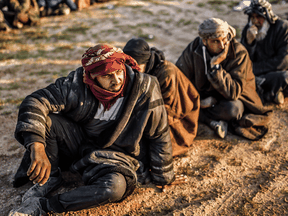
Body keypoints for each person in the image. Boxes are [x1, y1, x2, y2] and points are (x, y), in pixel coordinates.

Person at [9, 44, 184, 215]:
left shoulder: (145, 87)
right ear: (92, 76)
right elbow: (35, 101)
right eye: (107, 75)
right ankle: (50, 177)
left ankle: (46, 205)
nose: (116, 80)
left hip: (120, 157)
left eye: (118, 72)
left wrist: (164, 176)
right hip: (81, 143)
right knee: (47, 122)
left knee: (113, 189)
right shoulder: (76, 84)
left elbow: (159, 133)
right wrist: (37, 146)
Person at [176, 18, 271, 140]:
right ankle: (209, 118)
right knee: (177, 101)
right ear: (205, 41)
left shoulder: (239, 53)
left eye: (224, 39)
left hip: (229, 99)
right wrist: (198, 100)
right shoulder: (194, 49)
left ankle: (206, 118)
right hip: (203, 97)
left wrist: (215, 67)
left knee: (234, 110)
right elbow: (180, 78)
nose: (222, 45)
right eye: (215, 41)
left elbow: (234, 93)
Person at [123, 38, 200, 157]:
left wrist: (138, 118)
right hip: (149, 113)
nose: (132, 70)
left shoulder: (167, 73)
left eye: (136, 66)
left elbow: (170, 111)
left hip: (177, 121)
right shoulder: (136, 72)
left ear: (145, 62)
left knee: (149, 149)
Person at [241, 0, 288, 104]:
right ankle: (271, 95)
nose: (255, 21)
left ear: (267, 17)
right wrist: (249, 43)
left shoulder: (283, 28)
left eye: (259, 17)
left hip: (274, 73)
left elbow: (283, 61)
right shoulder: (247, 31)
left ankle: (264, 94)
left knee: (285, 77)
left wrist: (254, 70)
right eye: (252, 17)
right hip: (255, 75)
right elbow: (242, 60)